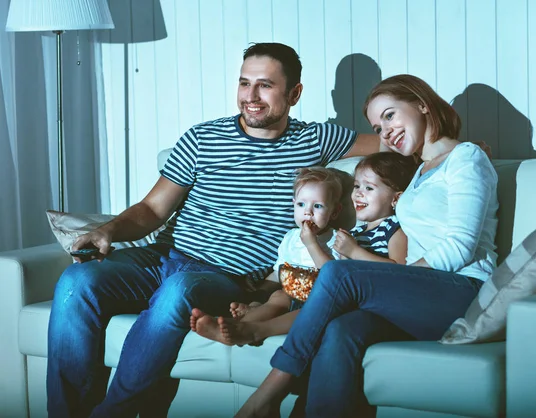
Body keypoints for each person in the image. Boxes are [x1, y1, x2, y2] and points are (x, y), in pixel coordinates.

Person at [46, 42, 382, 418]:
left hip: (225, 278)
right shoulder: (202, 138)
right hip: (163, 258)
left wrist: (434, 132)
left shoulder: (315, 139)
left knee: (178, 290)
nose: (250, 97)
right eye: (244, 83)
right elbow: (153, 209)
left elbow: (396, 140)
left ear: (294, 94)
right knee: (77, 280)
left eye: (265, 86)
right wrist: (109, 231)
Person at [236, 74, 499, 418]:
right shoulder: (417, 173)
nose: (385, 131)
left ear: (422, 103)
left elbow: (461, 247)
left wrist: (400, 276)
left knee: (339, 274)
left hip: (464, 290)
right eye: (377, 127)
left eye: (390, 115)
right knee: (341, 329)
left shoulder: (466, 157)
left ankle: (264, 397)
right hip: (419, 297)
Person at [190, 152, 416, 346]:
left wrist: (352, 251)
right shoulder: (354, 233)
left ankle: (252, 330)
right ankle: (235, 325)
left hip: (335, 295)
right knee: (279, 295)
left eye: (368, 187)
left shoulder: (387, 231)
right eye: (357, 186)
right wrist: (257, 293)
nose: (358, 193)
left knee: (307, 304)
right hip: (300, 290)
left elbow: (397, 272)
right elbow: (280, 271)